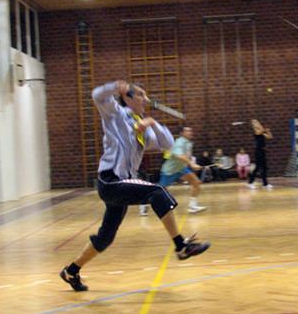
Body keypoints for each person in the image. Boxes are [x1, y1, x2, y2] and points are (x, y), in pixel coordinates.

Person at [60, 81, 210, 291]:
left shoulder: (143, 129)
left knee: (105, 238)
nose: (145, 99)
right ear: (127, 98)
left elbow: (168, 144)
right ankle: (180, 246)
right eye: (140, 95)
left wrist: (152, 123)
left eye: (146, 96)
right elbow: (97, 95)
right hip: (110, 181)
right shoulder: (115, 114)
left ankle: (71, 271)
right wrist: (116, 86)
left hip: (123, 185)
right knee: (157, 191)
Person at [159, 127, 207, 214]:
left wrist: (193, 164)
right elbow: (180, 156)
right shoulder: (179, 142)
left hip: (181, 169)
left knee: (196, 182)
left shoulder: (189, 143)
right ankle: (144, 204)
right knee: (159, 191)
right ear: (182, 133)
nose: (190, 132)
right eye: (187, 131)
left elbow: (187, 156)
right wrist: (192, 164)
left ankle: (192, 206)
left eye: (190, 130)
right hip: (170, 170)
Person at [247, 119, 273, 189]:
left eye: (257, 121)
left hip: (263, 151)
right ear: (253, 125)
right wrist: (265, 129)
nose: (257, 123)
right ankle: (250, 182)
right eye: (254, 122)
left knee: (264, 168)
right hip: (258, 151)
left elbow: (270, 137)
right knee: (257, 167)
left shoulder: (262, 132)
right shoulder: (255, 131)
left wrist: (268, 131)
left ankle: (265, 184)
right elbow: (260, 132)